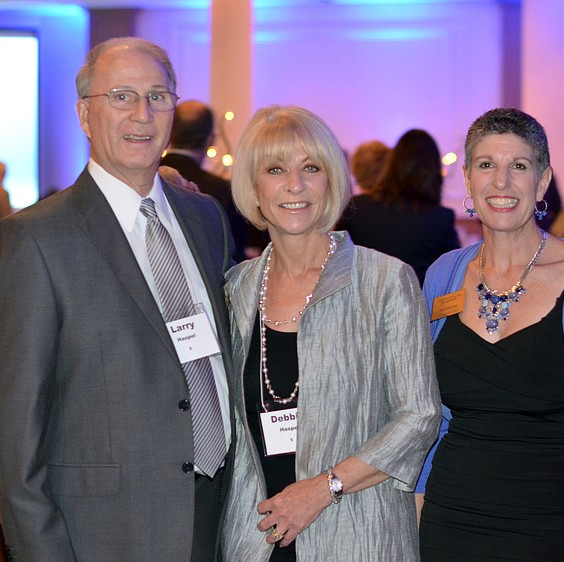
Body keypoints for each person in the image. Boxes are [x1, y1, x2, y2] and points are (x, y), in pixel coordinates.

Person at [0, 37, 235, 561]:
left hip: (218, 520)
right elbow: (15, 444)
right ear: (86, 115)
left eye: (158, 96)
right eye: (122, 96)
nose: (143, 114)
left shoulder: (206, 220)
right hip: (105, 535)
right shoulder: (35, 240)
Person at [220, 105, 441, 562]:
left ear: (331, 181)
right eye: (275, 169)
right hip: (255, 537)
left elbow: (419, 416)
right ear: (253, 188)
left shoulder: (384, 281)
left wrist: (323, 488)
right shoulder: (236, 288)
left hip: (358, 533)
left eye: (311, 168)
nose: (294, 185)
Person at [416, 108, 564, 561]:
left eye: (519, 166)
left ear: (543, 180)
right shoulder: (442, 276)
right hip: (448, 521)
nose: (501, 182)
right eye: (487, 165)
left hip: (552, 526)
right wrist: (415, 517)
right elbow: (430, 416)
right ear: (468, 178)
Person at [337, 129, 460, 285]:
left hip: (362, 306)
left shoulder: (357, 208)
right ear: (433, 171)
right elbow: (455, 276)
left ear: (391, 165)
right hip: (420, 306)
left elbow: (335, 264)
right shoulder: (440, 218)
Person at [162, 99, 263, 261]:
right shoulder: (222, 190)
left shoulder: (144, 180)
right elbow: (234, 256)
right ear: (210, 140)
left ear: (170, 132)